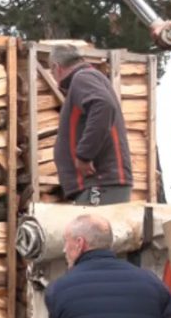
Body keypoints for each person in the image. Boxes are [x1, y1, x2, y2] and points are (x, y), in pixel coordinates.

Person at [51, 43, 133, 205]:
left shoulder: (82, 78)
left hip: (100, 183)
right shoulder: (89, 77)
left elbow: (103, 105)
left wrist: (84, 155)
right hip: (99, 184)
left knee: (95, 230)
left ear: (56, 67)